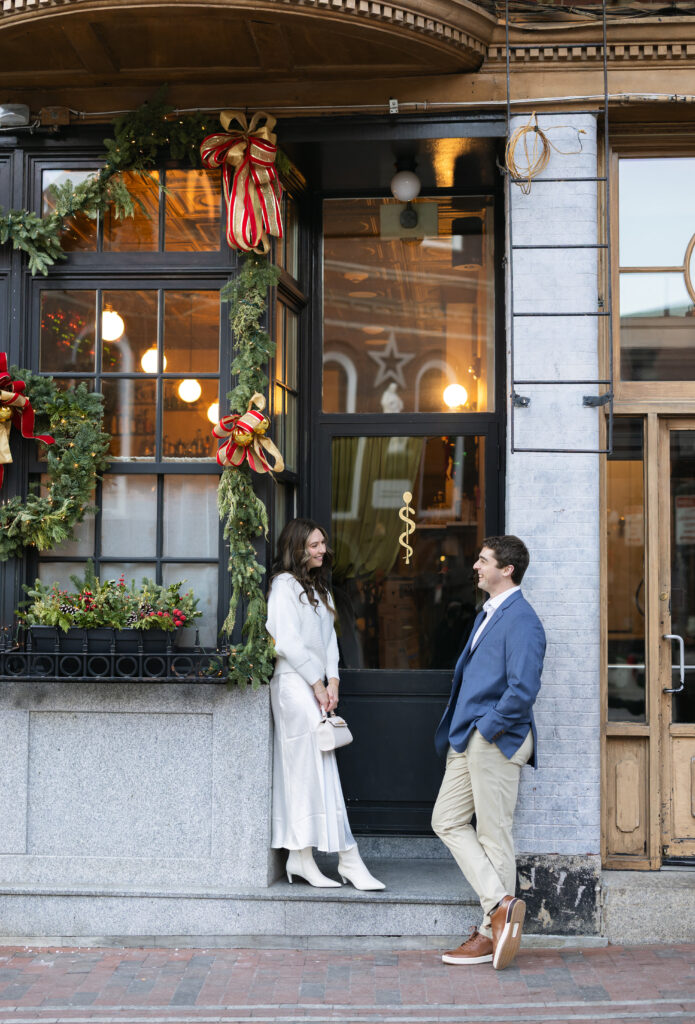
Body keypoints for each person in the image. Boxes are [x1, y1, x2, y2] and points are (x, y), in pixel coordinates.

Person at [432, 535, 545, 971]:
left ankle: (489, 932)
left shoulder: (523, 620)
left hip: (494, 739)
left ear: (507, 569)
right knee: (445, 820)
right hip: (469, 738)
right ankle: (500, 905)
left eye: (483, 560)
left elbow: (523, 689)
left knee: (494, 834)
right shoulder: (490, 613)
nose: (476, 567)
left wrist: (488, 729)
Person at [266, 517, 384, 891]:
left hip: (314, 687)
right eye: (314, 545)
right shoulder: (283, 586)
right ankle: (341, 857)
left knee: (314, 770)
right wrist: (317, 684)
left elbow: (329, 643)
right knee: (309, 771)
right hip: (293, 686)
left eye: (322, 544)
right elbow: (286, 640)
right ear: (297, 547)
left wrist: (333, 679)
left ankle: (303, 858)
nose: (322, 550)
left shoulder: (320, 590)